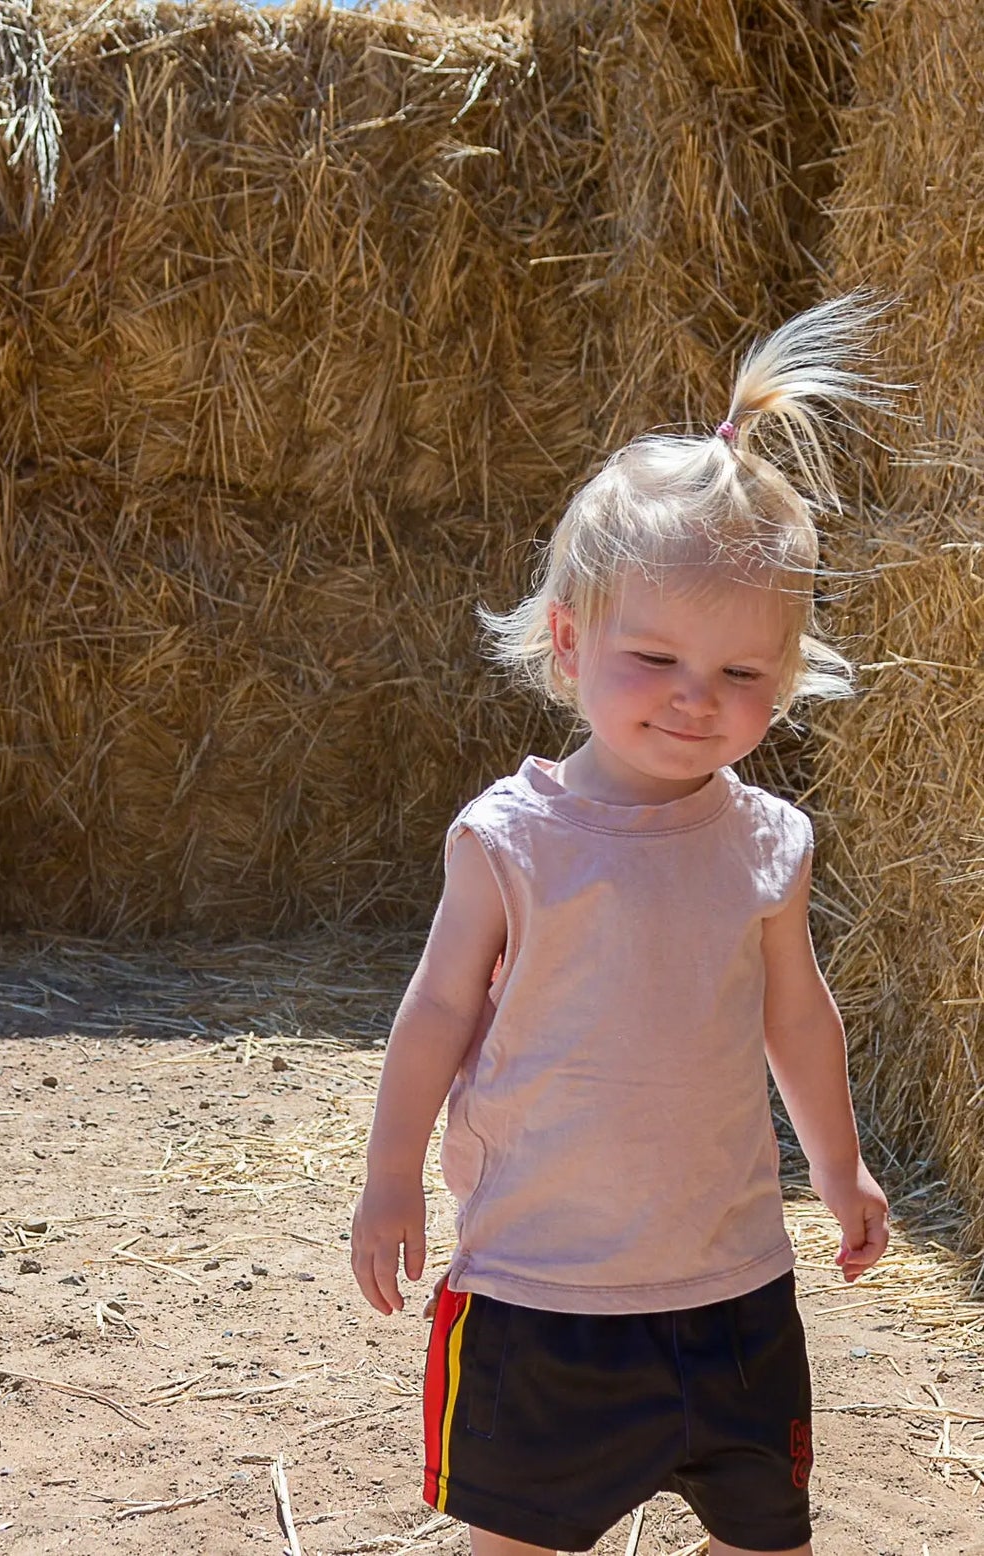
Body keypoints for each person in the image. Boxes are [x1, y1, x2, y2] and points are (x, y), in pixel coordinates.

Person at [347, 295, 893, 1555]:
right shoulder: (509, 839)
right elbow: (433, 1011)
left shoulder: (765, 841)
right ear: (565, 639)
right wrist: (387, 1177)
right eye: (655, 658)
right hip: (540, 1291)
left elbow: (794, 1013)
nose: (697, 701)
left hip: (733, 1288)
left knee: (768, 1536)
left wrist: (837, 1162)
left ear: (787, 670)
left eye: (742, 673)